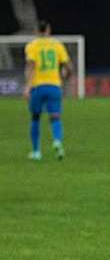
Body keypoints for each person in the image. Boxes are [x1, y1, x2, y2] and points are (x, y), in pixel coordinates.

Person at [23, 20, 71, 161]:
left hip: (38, 86)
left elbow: (31, 66)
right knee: (55, 117)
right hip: (54, 85)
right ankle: (57, 141)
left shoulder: (32, 46)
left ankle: (36, 152)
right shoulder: (57, 45)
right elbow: (67, 66)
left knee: (35, 117)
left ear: (36, 31)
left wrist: (27, 86)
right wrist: (66, 76)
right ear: (48, 30)